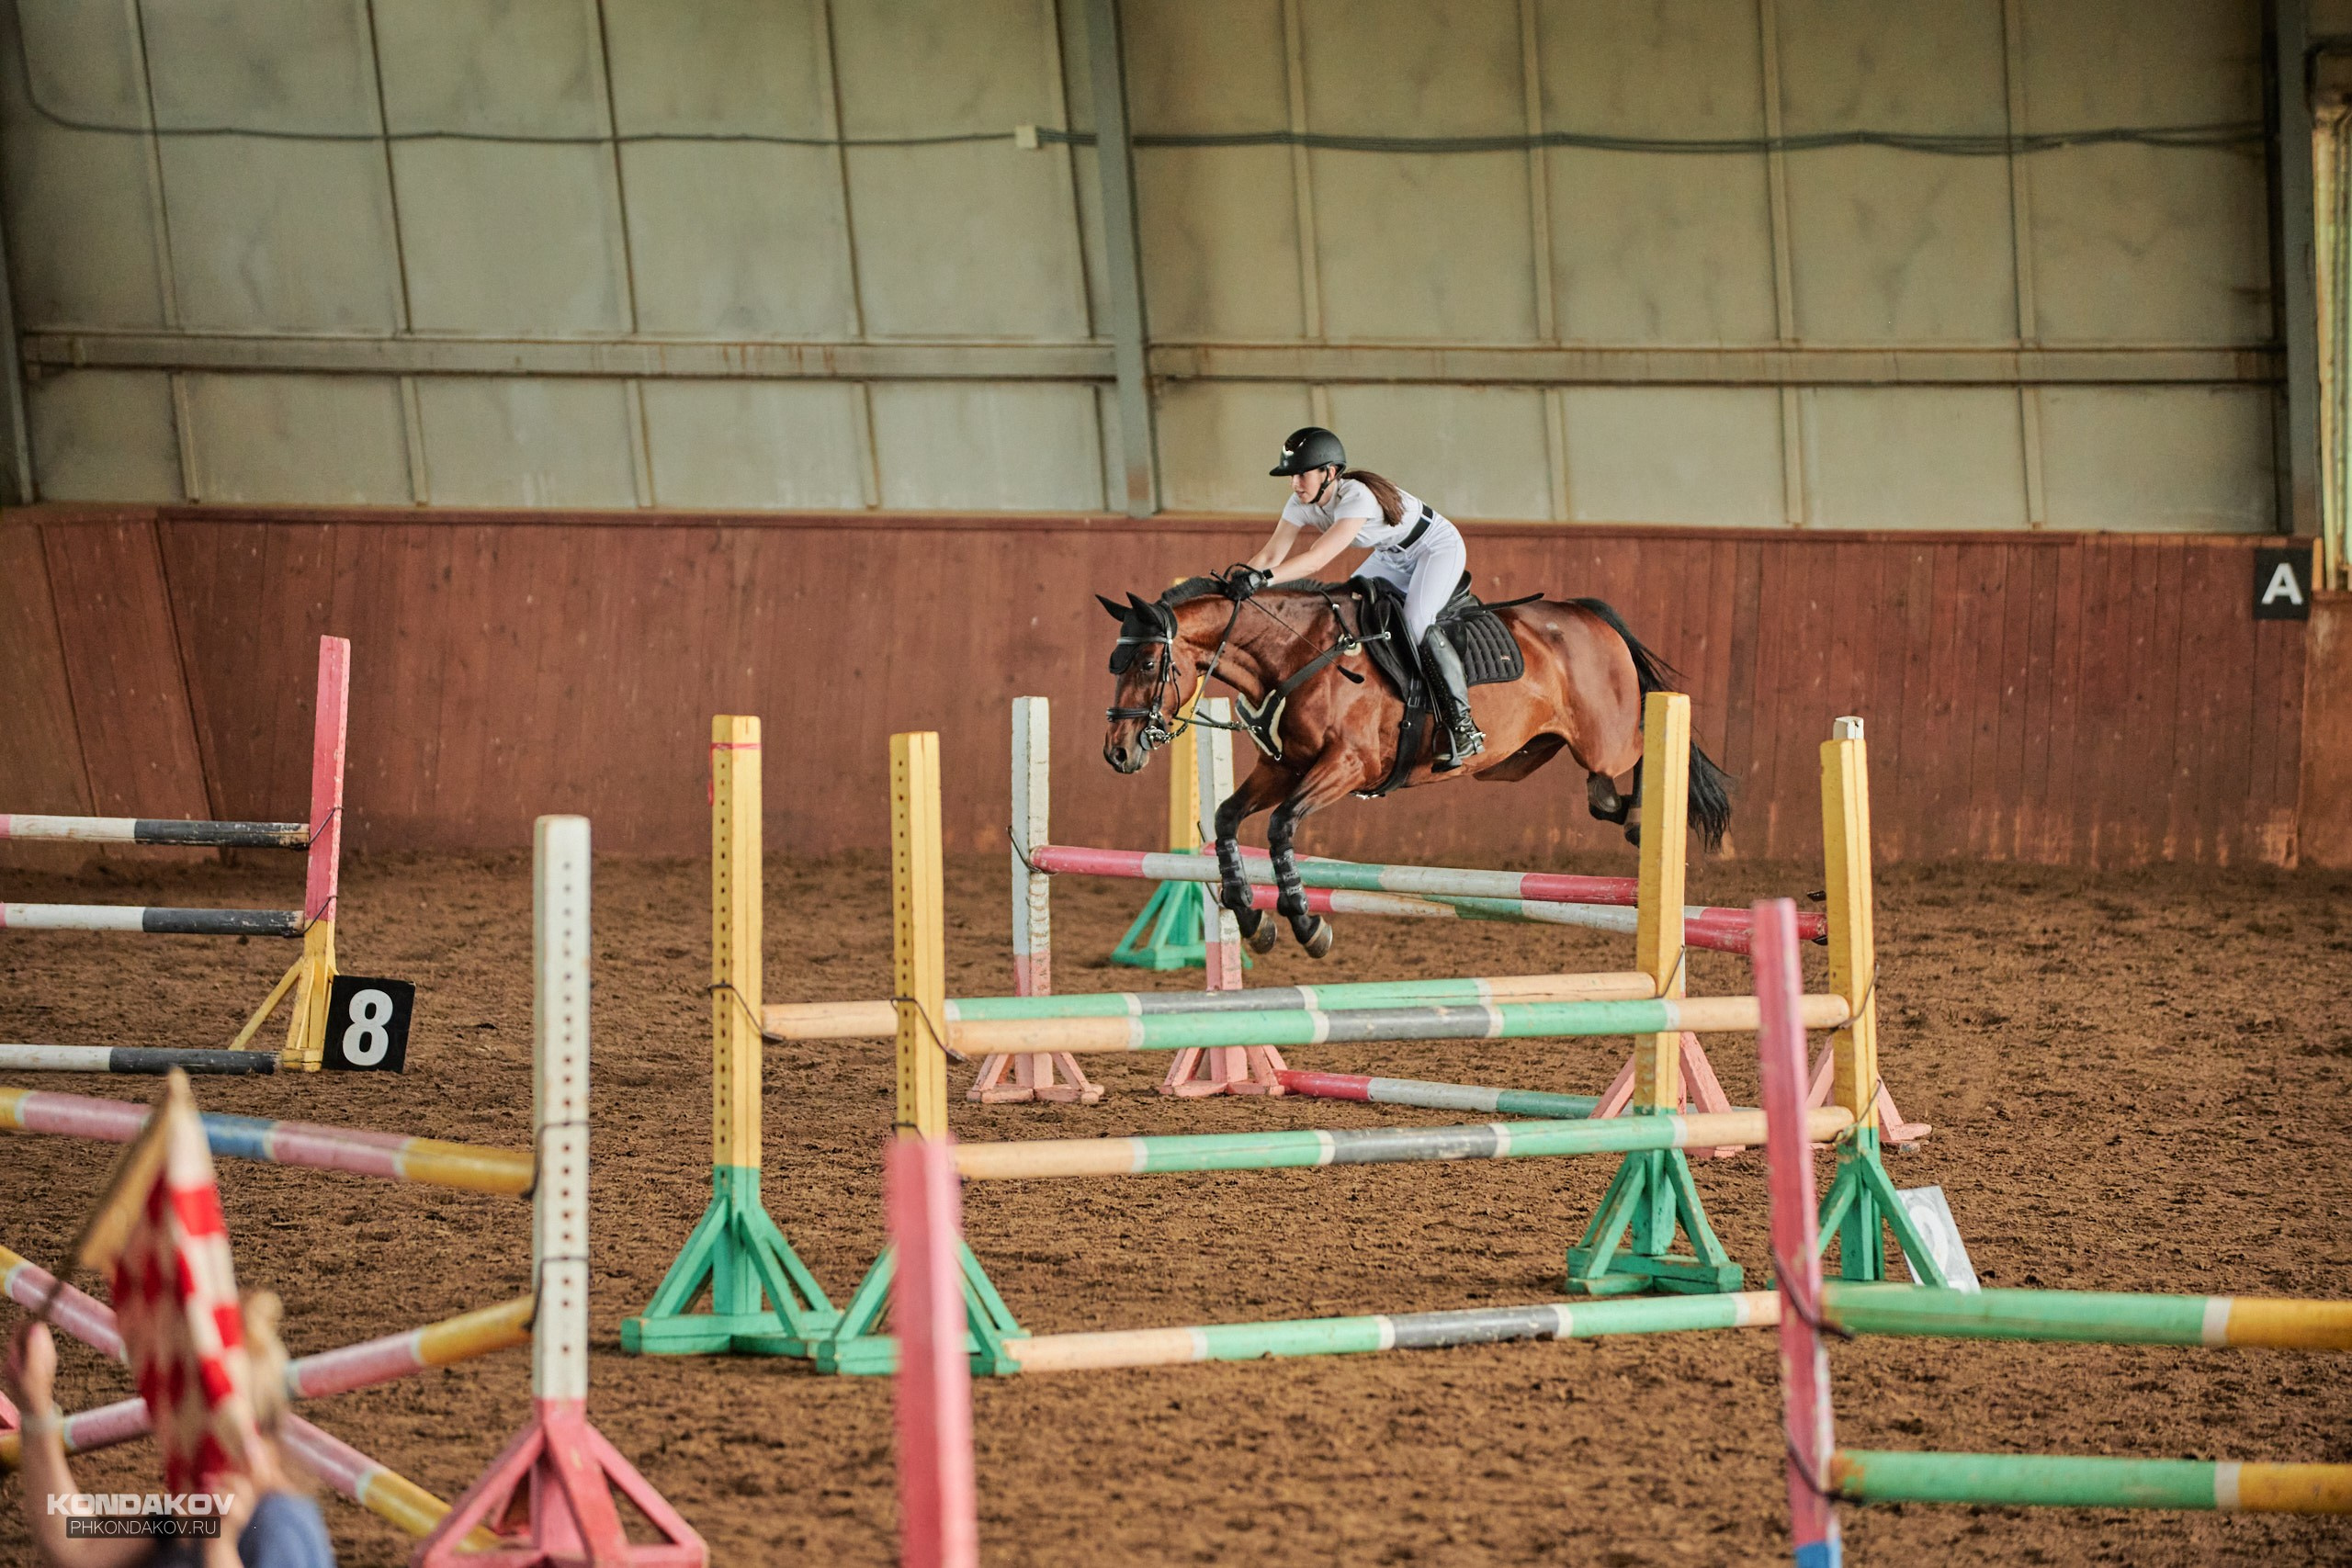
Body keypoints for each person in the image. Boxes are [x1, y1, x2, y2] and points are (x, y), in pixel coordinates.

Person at [6, 1292, 337, 1568]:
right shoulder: (200, 1504)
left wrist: (219, 1549)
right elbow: (78, 1543)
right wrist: (36, 1408)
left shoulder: (278, 1524)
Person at [1243, 425, 1485, 767]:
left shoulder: (1357, 497)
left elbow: (1317, 558)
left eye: (1302, 475)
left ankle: (1463, 728)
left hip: (1435, 548)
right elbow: (1269, 557)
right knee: (1349, 604)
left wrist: (1261, 580)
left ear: (1329, 473)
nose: (1295, 483)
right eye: (1291, 475)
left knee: (1416, 623)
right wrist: (1236, 582)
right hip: (1392, 555)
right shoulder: (1301, 502)